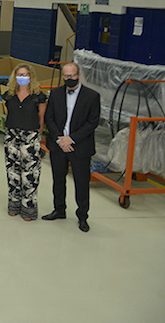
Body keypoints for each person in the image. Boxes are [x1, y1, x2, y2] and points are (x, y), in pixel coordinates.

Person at [43, 62, 100, 232]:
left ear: (79, 75)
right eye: (66, 76)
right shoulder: (55, 93)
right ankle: (59, 210)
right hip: (58, 145)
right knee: (58, 180)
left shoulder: (91, 96)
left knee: (81, 183)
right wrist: (60, 139)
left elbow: (92, 122)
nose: (69, 79)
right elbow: (49, 117)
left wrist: (71, 139)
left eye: (72, 75)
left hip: (79, 147)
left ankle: (82, 217)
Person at [2, 64, 47, 221]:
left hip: (31, 136)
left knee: (30, 174)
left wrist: (37, 138)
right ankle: (13, 204)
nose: (22, 77)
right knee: (12, 172)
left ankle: (28, 208)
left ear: (31, 77)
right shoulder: (8, 95)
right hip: (12, 136)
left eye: (25, 74)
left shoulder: (38, 96)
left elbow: (41, 118)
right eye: (19, 74)